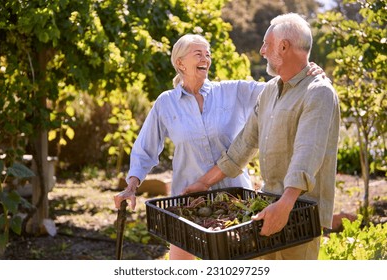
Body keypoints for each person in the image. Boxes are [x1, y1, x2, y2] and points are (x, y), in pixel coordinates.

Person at [113, 33, 325, 260]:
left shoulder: (232, 91)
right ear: (180, 63)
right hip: (189, 201)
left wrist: (304, 73)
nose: (206, 58)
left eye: (208, 54)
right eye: (198, 54)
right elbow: (145, 148)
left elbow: (278, 88)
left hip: (234, 201)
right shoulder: (166, 103)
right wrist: (132, 185)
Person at [183, 13, 340, 260]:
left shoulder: (318, 92)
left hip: (300, 213)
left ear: (284, 46)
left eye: (267, 44)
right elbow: (245, 143)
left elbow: (307, 153)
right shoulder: (269, 91)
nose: (262, 50)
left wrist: (285, 204)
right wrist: (205, 182)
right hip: (268, 207)